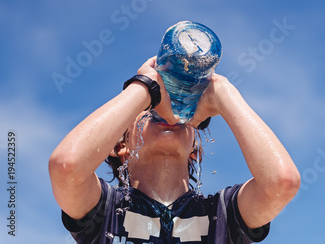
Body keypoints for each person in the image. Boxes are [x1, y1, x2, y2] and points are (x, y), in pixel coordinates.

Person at [49, 56, 301, 244]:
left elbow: (281, 183)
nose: (165, 111)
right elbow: (66, 166)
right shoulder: (105, 209)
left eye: (180, 114)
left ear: (194, 149)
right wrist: (146, 86)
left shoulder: (223, 214)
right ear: (120, 146)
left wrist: (221, 90)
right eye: (149, 109)